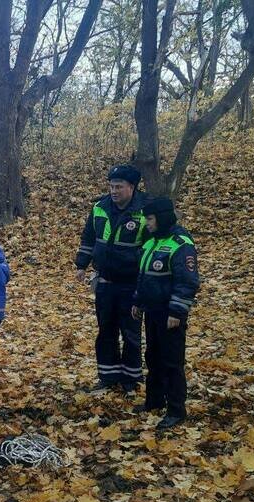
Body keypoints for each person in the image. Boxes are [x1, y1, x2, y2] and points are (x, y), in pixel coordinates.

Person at [74, 164, 149, 393]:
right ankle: (108, 377)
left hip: (131, 283)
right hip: (105, 282)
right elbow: (89, 237)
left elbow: (150, 246)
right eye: (111, 186)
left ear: (132, 187)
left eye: (119, 187)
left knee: (131, 332)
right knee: (106, 330)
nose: (114, 191)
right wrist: (81, 265)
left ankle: (131, 379)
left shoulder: (145, 210)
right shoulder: (100, 207)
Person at [130, 198, 200, 429]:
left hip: (170, 314)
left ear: (161, 217)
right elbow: (144, 277)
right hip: (152, 311)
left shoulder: (181, 244)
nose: (146, 224)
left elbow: (187, 282)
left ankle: (176, 410)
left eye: (149, 219)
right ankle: (155, 400)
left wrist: (177, 312)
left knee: (172, 361)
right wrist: (138, 302)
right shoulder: (151, 243)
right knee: (153, 356)